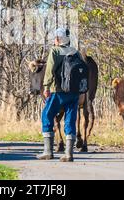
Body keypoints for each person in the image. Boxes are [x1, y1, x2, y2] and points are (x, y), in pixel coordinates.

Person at [37, 27, 81, 162]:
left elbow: (49, 70)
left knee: (46, 115)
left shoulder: (55, 51)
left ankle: (48, 151)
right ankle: (69, 154)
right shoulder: (75, 52)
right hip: (74, 92)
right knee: (70, 120)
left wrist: (46, 87)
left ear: (58, 39)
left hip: (58, 91)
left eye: (55, 37)